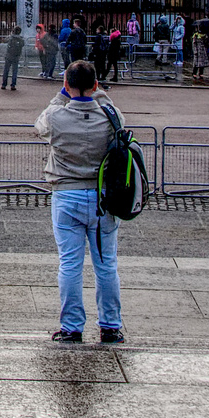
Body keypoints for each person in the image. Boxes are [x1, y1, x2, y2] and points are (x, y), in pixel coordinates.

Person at [34, 60, 125, 345]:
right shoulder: (111, 116)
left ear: (67, 85)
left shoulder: (56, 117)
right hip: (102, 198)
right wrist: (98, 93)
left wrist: (62, 94)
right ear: (96, 85)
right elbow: (115, 120)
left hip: (67, 193)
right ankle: (110, 325)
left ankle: (72, 327)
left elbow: (40, 124)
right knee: (106, 264)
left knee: (70, 264)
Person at [0, 25, 25, 91]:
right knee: (15, 71)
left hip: (9, 55)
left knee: (6, 70)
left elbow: (4, 40)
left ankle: (4, 84)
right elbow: (23, 44)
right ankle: (13, 85)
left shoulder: (11, 37)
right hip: (16, 56)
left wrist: (11, 34)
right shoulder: (21, 38)